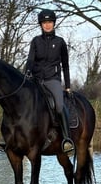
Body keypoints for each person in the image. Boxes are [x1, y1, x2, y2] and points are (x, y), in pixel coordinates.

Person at [25, 9, 74, 155]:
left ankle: (67, 139)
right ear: (41, 24)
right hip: (36, 79)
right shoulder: (35, 41)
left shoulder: (60, 42)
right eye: (44, 22)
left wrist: (68, 86)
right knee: (19, 100)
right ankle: (8, 138)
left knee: (59, 105)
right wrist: (27, 73)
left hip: (52, 79)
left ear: (54, 23)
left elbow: (65, 65)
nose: (47, 25)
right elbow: (30, 60)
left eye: (50, 22)